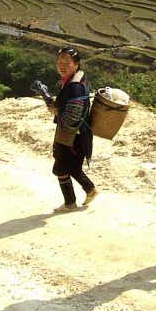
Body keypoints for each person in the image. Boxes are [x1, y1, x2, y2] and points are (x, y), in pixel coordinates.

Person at [46, 46, 98, 212]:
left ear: (76, 64)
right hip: (75, 135)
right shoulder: (73, 81)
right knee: (71, 167)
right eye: (60, 62)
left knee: (60, 168)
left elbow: (71, 118)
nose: (62, 65)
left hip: (73, 137)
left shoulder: (74, 86)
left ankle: (71, 202)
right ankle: (89, 191)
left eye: (67, 62)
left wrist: (55, 110)